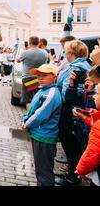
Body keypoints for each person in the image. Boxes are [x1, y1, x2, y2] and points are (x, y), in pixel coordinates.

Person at [55, 40, 91, 186]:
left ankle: (72, 177)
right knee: (72, 144)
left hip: (70, 111)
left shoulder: (76, 68)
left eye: (66, 50)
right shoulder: (83, 65)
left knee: (69, 142)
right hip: (73, 110)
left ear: (70, 53)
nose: (65, 53)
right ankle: (72, 172)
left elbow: (67, 95)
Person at [21, 64, 62, 186]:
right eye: (39, 76)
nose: (41, 78)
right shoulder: (42, 90)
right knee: (41, 170)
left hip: (45, 136)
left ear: (54, 77)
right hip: (39, 134)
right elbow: (32, 109)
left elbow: (41, 114)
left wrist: (26, 124)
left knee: (44, 172)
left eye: (45, 75)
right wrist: (25, 119)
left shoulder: (52, 93)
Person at [16, 36, 49, 109]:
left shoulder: (26, 52)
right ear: (38, 43)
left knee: (28, 100)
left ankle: (29, 116)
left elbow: (18, 60)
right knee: (38, 98)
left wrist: (25, 50)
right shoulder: (45, 52)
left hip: (28, 78)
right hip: (39, 79)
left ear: (30, 43)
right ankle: (37, 114)